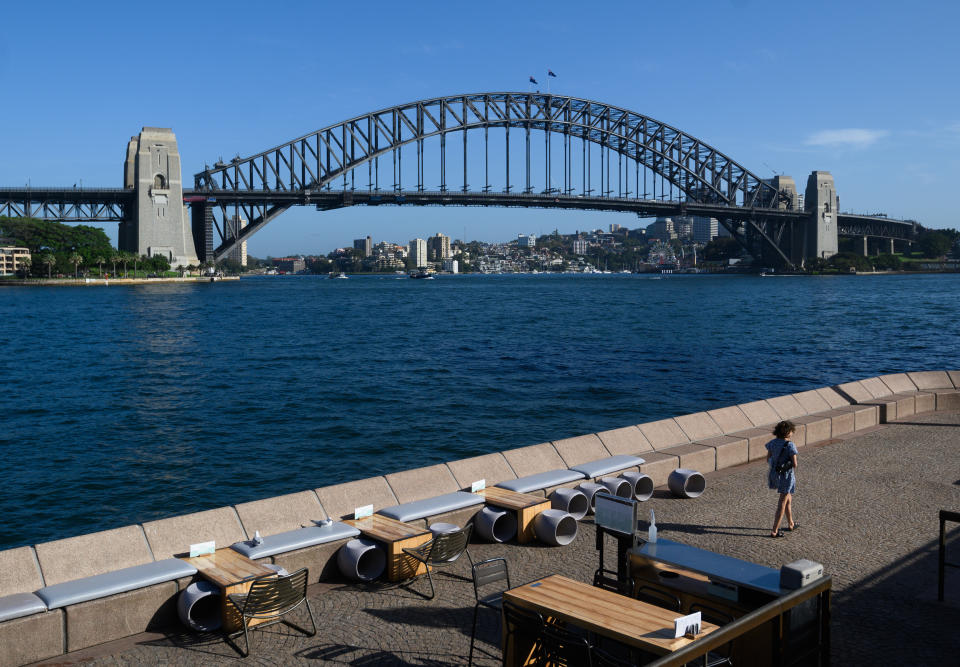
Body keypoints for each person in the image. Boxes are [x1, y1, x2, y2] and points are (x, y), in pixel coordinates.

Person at [765, 420, 798, 538]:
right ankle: (774, 531)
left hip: (774, 474)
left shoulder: (772, 443)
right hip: (786, 476)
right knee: (782, 502)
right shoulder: (790, 445)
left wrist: (776, 466)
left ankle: (791, 523)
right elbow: (795, 464)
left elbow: (768, 459)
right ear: (788, 432)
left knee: (788, 498)